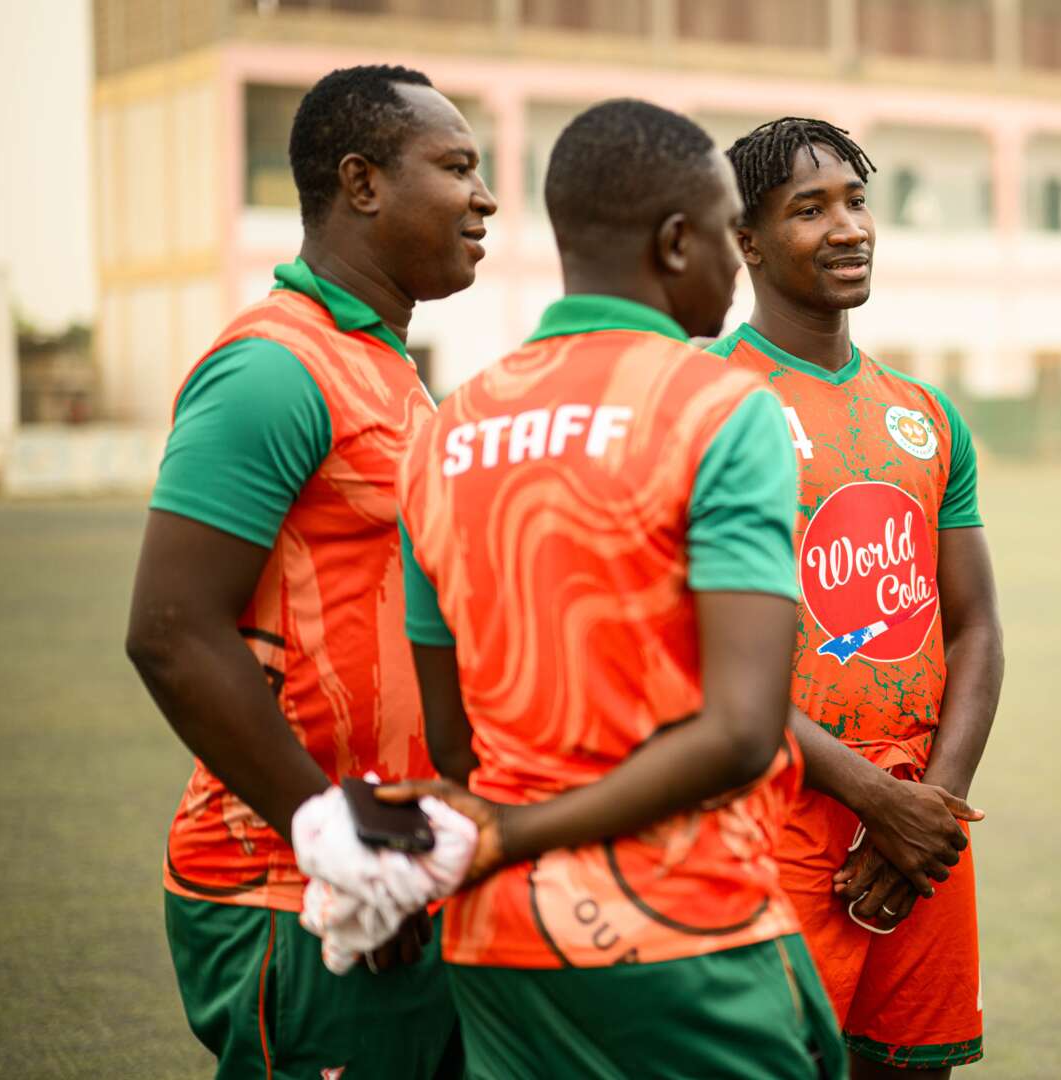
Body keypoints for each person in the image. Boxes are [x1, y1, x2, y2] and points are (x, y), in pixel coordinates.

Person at [383, 99, 845, 1080]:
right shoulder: (718, 409)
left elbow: (454, 735)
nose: (738, 259)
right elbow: (740, 731)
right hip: (686, 933)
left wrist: (508, 829)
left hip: (500, 941)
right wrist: (520, 828)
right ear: (678, 243)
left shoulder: (445, 427)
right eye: (729, 234)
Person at [124, 64, 493, 1078]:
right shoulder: (271, 368)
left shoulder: (387, 371)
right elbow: (169, 629)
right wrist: (335, 837)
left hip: (393, 867)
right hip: (290, 886)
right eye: (457, 167)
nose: (486, 196)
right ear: (362, 182)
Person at [708, 117, 1004, 1077]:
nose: (849, 228)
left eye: (857, 200)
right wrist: (873, 795)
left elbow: (976, 627)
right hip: (770, 811)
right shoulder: (705, 399)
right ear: (747, 243)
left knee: (912, 1068)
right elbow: (691, 654)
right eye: (810, 209)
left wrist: (934, 806)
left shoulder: (925, 414)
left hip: (920, 825)